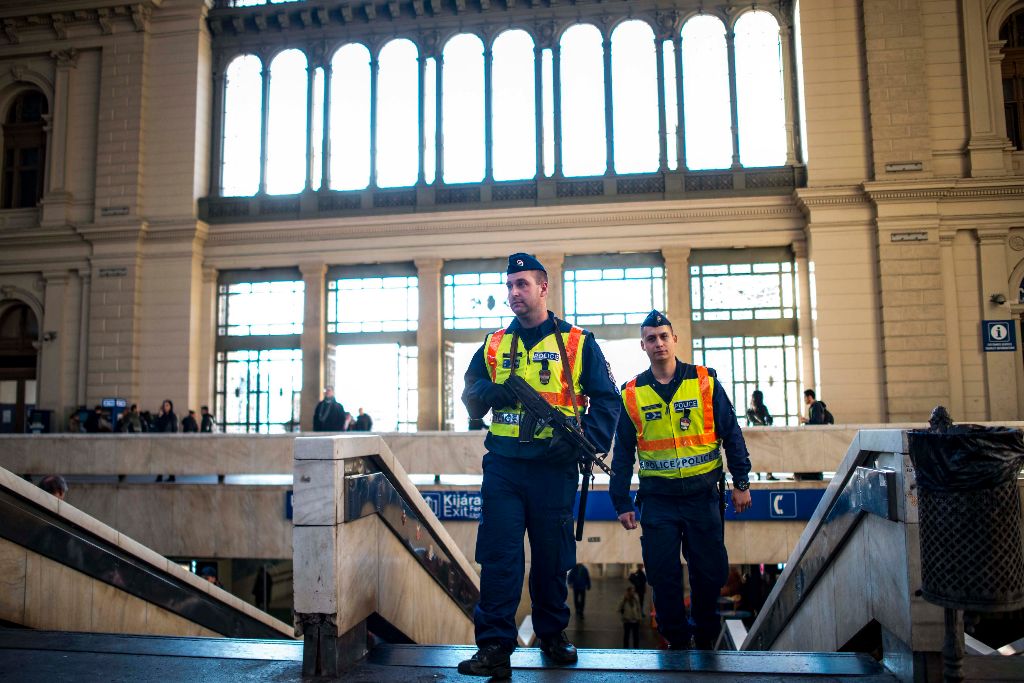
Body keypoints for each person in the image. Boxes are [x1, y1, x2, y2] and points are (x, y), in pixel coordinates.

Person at [457, 253, 620, 678]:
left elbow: (607, 400)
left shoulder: (577, 343)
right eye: (509, 285)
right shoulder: (495, 344)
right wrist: (492, 393)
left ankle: (551, 634)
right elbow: (470, 393)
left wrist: (585, 445)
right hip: (505, 468)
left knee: (552, 558)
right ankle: (494, 645)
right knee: (499, 557)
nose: (514, 293)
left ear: (544, 287)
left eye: (522, 285)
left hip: (554, 468)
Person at [610, 310, 753, 651]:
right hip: (658, 499)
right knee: (662, 574)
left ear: (674, 339)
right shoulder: (631, 393)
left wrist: (742, 482)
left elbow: (731, 434)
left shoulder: (704, 381)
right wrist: (620, 501)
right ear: (642, 346)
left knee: (710, 573)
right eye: (651, 338)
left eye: (663, 336)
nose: (658, 343)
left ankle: (704, 638)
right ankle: (676, 640)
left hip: (703, 496)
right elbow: (623, 453)